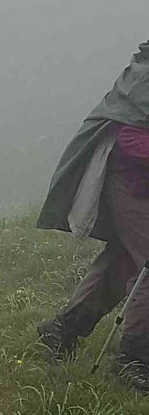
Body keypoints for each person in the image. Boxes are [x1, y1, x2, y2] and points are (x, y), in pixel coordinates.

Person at [36, 39, 149, 389]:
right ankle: (134, 359)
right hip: (127, 177)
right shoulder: (145, 78)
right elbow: (132, 137)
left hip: (136, 178)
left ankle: (62, 330)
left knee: (126, 260)